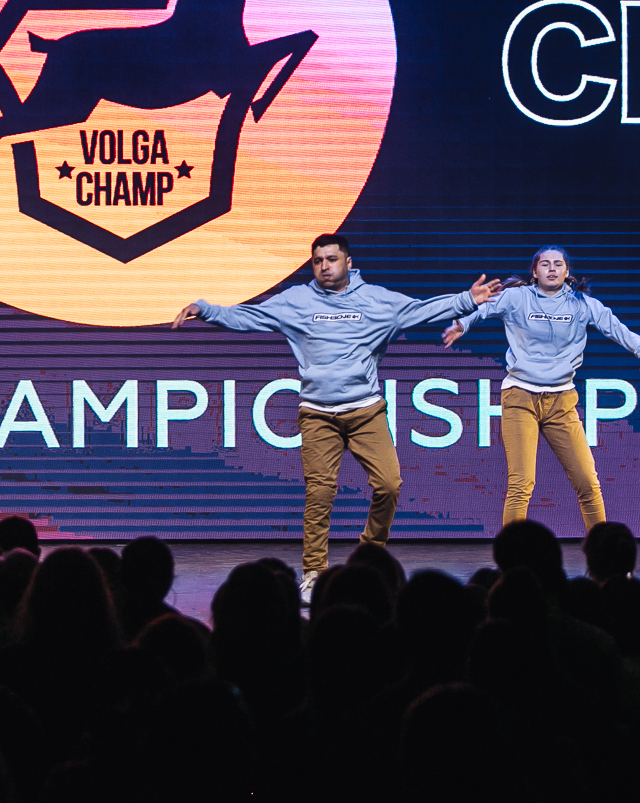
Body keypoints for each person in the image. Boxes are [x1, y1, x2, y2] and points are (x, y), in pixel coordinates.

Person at [172, 233, 500, 602]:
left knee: (389, 485)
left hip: (365, 411)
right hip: (317, 414)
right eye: (318, 261)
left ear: (348, 262)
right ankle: (314, 572)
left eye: (331, 259)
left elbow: (421, 311)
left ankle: (370, 556)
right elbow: (250, 316)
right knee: (320, 493)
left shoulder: (376, 300)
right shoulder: (297, 301)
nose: (324, 266)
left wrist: (467, 299)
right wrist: (206, 309)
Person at [442, 245, 640, 531]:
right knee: (521, 483)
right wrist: (462, 325)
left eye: (558, 264)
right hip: (520, 398)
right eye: (545, 264)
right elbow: (483, 309)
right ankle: (512, 554)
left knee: (587, 482)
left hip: (561, 402)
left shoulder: (582, 304)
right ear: (535, 272)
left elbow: (616, 328)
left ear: (567, 272)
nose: (551, 269)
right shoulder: (517, 298)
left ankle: (603, 550)